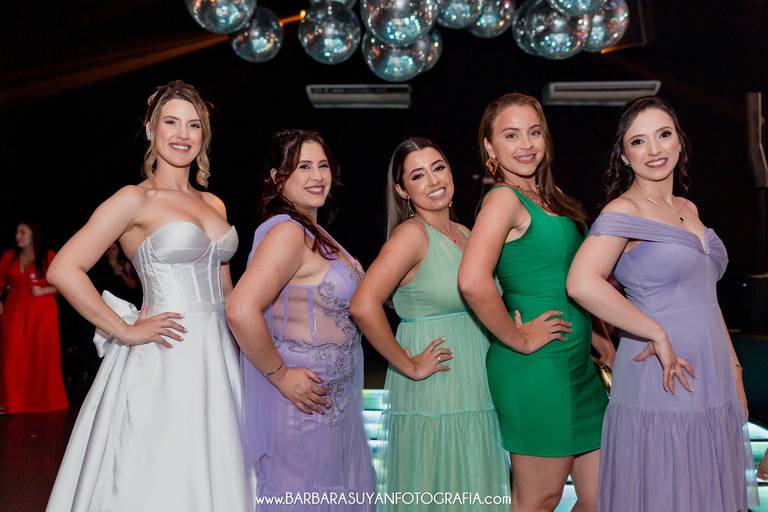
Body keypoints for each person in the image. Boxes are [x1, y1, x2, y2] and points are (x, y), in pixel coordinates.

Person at [46, 80, 248, 511]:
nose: (182, 134)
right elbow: (63, 269)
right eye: (171, 122)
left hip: (219, 355)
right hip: (167, 353)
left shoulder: (215, 204)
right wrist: (124, 329)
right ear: (151, 129)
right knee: (164, 470)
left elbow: (227, 291)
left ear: (204, 135)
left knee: (220, 465)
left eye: (193, 125)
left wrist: (253, 348)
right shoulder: (133, 200)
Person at [566, 95, 759, 511]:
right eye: (638, 141)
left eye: (663, 135)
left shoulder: (688, 208)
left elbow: (708, 301)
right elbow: (581, 283)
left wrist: (735, 372)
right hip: (660, 369)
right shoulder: (623, 210)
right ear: (624, 155)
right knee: (667, 486)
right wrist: (654, 331)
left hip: (711, 371)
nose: (654, 149)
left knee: (703, 486)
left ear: (679, 141)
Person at [458, 92, 614, 512]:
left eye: (534, 132)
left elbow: (575, 280)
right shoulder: (503, 199)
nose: (526, 144)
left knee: (603, 497)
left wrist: (601, 339)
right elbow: (472, 281)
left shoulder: (552, 196)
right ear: (490, 147)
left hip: (578, 366)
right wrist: (519, 339)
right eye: (511, 135)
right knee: (539, 498)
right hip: (536, 369)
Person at [349, 137, 510, 510]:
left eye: (438, 168)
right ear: (402, 190)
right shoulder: (412, 235)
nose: (434, 180)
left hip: (476, 382)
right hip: (437, 386)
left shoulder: (466, 234)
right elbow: (363, 305)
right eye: (418, 175)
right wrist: (408, 364)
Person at [227, 129, 375, 510]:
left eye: (323, 165)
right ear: (278, 179)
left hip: (331, 406)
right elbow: (240, 309)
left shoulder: (315, 231)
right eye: (303, 167)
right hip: (303, 408)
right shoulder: (288, 233)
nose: (317, 176)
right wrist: (281, 375)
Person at [0, 221, 68, 413]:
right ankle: (12, 402)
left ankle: (43, 402)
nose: (18, 236)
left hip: (42, 311)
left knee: (42, 354)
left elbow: (64, 284)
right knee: (12, 354)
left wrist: (44, 290)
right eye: (17, 232)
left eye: (23, 232)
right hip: (15, 309)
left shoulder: (48, 256)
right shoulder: (9, 256)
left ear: (33, 234)